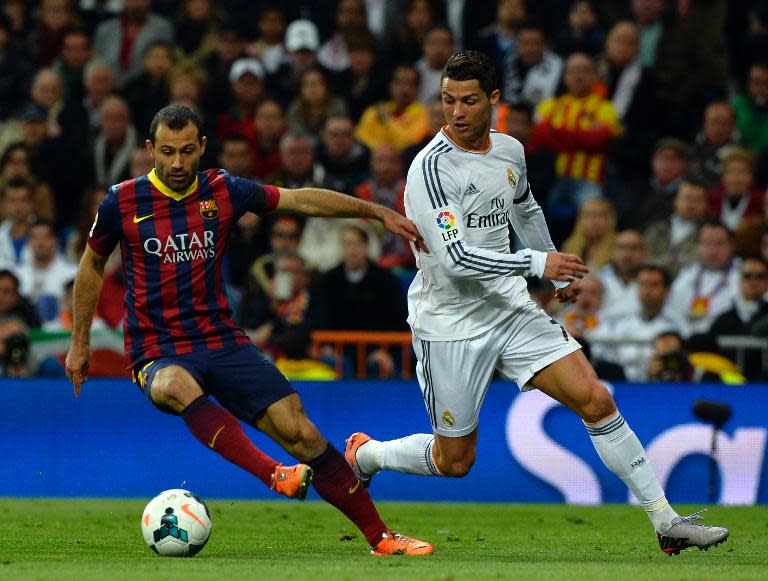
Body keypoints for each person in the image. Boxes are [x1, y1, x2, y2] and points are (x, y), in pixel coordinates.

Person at [343, 50, 728, 556]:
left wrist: (550, 268)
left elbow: (525, 206)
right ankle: (366, 455)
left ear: (494, 101)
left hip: (509, 308)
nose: (456, 112)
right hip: (451, 321)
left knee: (597, 400)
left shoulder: (510, 152)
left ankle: (665, 521)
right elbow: (456, 257)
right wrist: (535, 265)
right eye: (447, 101)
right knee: (455, 461)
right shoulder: (430, 169)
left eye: (469, 101)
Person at [65, 104, 432, 556]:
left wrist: (374, 212)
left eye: (185, 152)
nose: (177, 164)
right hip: (157, 347)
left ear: (201, 146)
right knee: (175, 384)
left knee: (303, 433)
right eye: (166, 152)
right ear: (149, 150)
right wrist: (79, 342)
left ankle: (381, 538)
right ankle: (271, 473)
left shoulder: (223, 189)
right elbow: (92, 264)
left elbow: (300, 199)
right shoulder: (121, 200)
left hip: (221, 339)